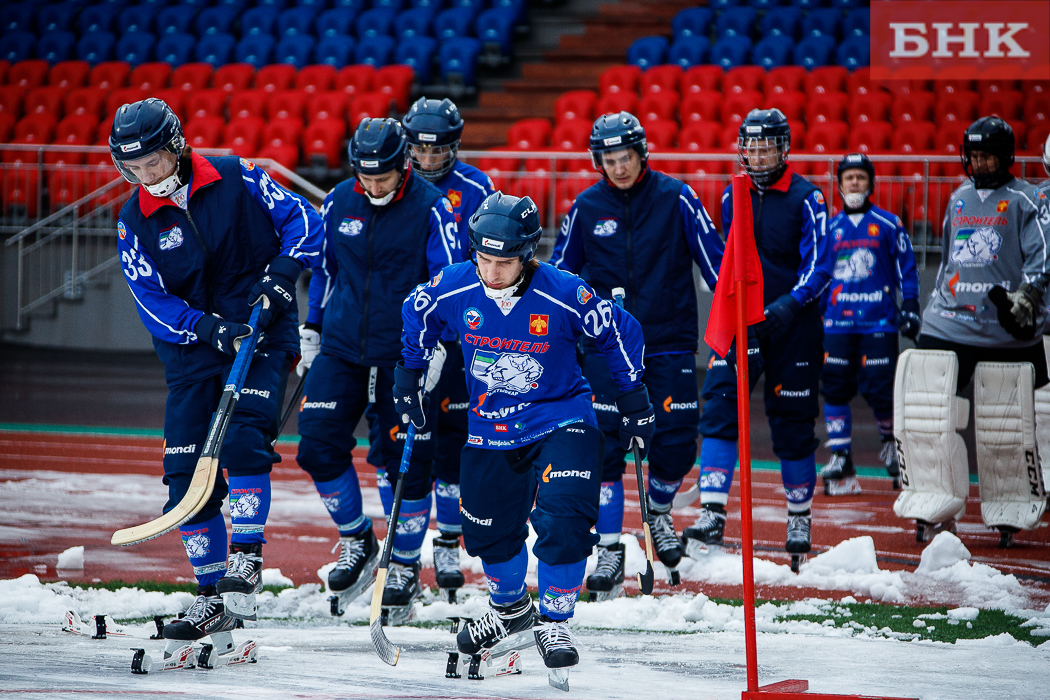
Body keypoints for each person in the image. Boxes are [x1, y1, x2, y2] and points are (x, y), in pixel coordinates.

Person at [399, 192, 653, 672]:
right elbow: (417, 313)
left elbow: (618, 330)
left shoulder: (563, 291)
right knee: (487, 534)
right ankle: (511, 610)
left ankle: (554, 619)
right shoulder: (455, 287)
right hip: (490, 426)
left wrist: (633, 396)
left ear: (528, 255)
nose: (492, 272)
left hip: (561, 416)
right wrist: (409, 376)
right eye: (484, 258)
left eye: (505, 261)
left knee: (564, 518)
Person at [110, 98, 324, 641]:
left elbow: (304, 221)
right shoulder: (134, 220)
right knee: (184, 478)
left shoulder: (235, 175)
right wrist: (207, 329)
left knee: (242, 442)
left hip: (259, 333)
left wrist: (280, 276)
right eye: (133, 169)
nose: (146, 176)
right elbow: (152, 302)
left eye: (153, 162)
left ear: (176, 145)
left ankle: (246, 559)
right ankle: (211, 599)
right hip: (191, 353)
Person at [550, 111, 723, 597]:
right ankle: (608, 547)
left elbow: (715, 262)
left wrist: (737, 325)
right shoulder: (585, 206)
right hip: (605, 348)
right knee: (602, 451)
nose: (619, 167)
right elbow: (562, 277)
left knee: (674, 444)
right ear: (598, 161)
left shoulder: (677, 196)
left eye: (626, 157)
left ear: (641, 153)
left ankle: (660, 512)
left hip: (668, 341)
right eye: (610, 159)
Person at [294, 117, 461, 618]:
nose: (373, 187)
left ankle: (405, 562)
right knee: (316, 445)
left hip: (404, 353)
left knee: (406, 463)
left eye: (382, 178)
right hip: (342, 347)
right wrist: (313, 328)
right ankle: (357, 540)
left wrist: (435, 347)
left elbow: (449, 281)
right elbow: (325, 271)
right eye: (365, 178)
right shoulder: (339, 200)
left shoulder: (433, 209)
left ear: (402, 165)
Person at [681, 108, 833, 569]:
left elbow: (821, 266)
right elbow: (732, 258)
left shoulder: (809, 199)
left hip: (794, 324)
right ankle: (712, 512)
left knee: (792, 422)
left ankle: (799, 517)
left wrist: (786, 308)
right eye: (751, 145)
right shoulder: (733, 194)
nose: (758, 153)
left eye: (766, 145)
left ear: (784, 148)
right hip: (742, 323)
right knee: (720, 406)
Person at [895, 116, 1050, 544]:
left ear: (1006, 157)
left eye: (987, 156)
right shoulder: (959, 197)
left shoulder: (1026, 200)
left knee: (1009, 425)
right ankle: (934, 500)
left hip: (1006, 327)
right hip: (950, 321)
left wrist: (1028, 300)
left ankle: (1011, 502)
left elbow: (1043, 260)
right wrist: (930, 311)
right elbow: (948, 261)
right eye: (974, 155)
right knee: (926, 413)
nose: (979, 164)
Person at [399, 96, 496, 594]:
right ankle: (404, 553)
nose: (429, 160)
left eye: (439, 151)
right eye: (420, 149)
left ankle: (448, 544)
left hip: (463, 335)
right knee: (412, 440)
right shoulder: (397, 184)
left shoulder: (478, 188)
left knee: (457, 442)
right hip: (413, 332)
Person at [819, 153, 921, 496]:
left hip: (879, 321)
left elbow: (907, 269)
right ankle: (841, 455)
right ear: (840, 184)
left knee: (881, 388)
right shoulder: (829, 228)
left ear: (871, 183)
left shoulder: (890, 224)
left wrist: (910, 305)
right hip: (836, 323)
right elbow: (820, 277)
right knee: (833, 387)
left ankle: (892, 448)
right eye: (848, 178)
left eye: (861, 177)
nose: (854, 183)